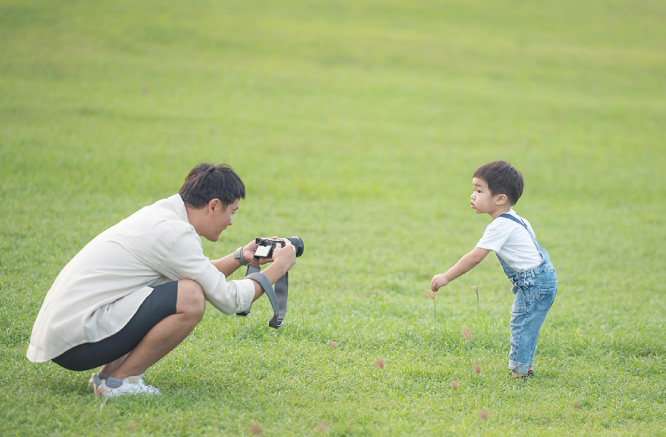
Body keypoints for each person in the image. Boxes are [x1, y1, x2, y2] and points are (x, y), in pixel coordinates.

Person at [27, 163, 297, 396]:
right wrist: (278, 268)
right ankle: (120, 383)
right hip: (76, 343)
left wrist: (240, 257)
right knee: (190, 297)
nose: (231, 222)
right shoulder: (174, 234)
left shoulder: (163, 216)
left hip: (66, 335)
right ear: (214, 205)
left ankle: (105, 378)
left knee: (182, 289)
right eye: (232, 212)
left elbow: (198, 273)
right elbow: (229, 300)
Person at [430, 161, 557, 378]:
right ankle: (524, 368)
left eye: (479, 191)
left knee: (522, 325)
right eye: (474, 189)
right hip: (543, 277)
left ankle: (519, 373)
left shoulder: (500, 225)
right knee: (527, 325)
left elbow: (476, 256)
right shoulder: (516, 219)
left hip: (533, 282)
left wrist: (446, 277)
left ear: (500, 199)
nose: (472, 195)